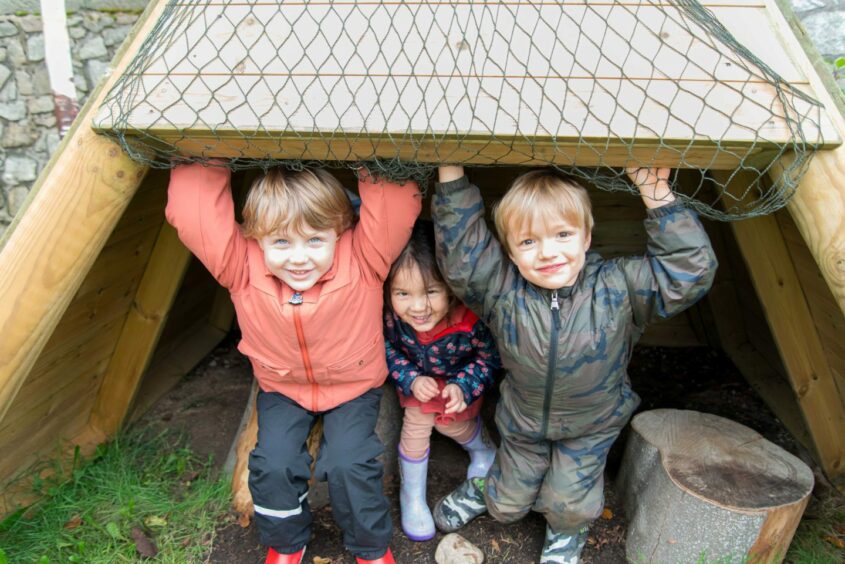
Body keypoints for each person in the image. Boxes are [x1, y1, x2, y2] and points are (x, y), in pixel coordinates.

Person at [430, 165, 717, 563]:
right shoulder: (502, 289)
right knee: (507, 504)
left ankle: (568, 532)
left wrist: (654, 189)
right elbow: (463, 256)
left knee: (568, 502)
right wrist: (450, 171)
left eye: (563, 234)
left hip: (591, 426)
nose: (548, 252)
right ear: (510, 251)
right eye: (528, 241)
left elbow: (688, 273)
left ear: (587, 236)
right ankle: (486, 490)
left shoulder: (618, 287)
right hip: (524, 424)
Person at [166, 162, 421, 564]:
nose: (299, 259)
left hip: (353, 387)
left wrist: (373, 150)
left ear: (340, 233)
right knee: (272, 465)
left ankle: (370, 548)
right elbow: (196, 216)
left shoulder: (364, 258)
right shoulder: (242, 266)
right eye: (281, 243)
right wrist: (205, 153)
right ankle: (286, 543)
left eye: (315, 240)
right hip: (282, 388)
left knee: (350, 465)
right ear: (256, 239)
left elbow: (393, 207)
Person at [383, 220, 502, 542]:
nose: (419, 307)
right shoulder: (391, 318)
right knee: (417, 423)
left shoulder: (469, 320)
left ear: (450, 287)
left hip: (456, 387)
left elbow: (490, 358)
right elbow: (385, 348)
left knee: (450, 424)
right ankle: (413, 498)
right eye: (403, 293)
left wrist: (463, 385)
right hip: (419, 387)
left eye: (431, 292)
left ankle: (482, 448)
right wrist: (410, 377)